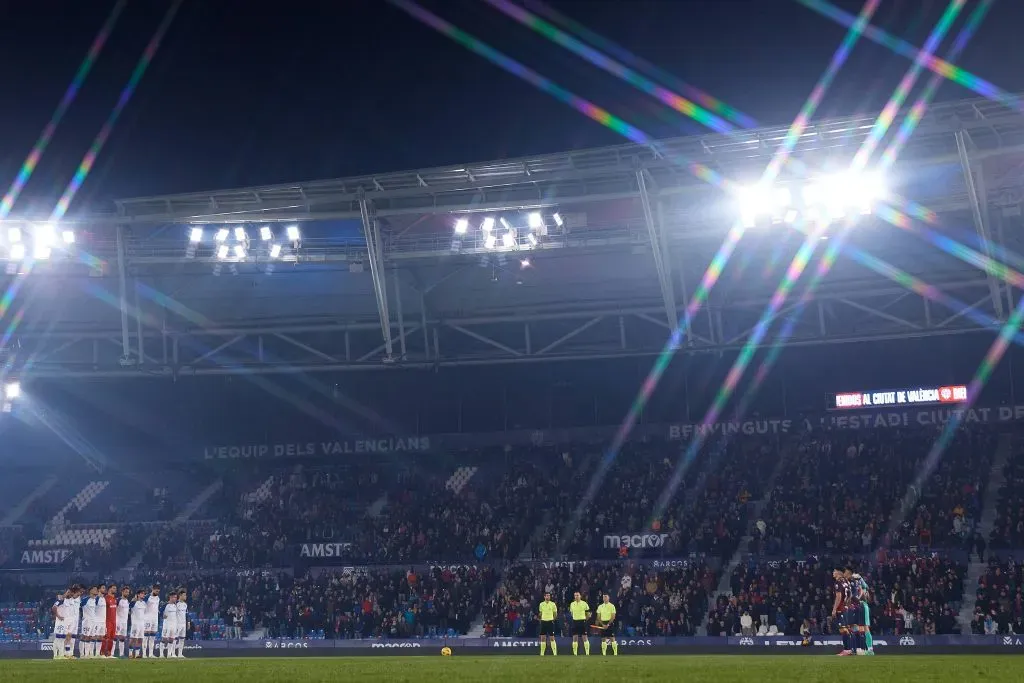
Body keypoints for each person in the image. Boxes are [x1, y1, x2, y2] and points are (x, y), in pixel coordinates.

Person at [848, 570, 874, 655]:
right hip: (859, 606)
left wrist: (858, 598)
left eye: (855, 577)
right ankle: (861, 649)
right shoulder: (857, 585)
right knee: (858, 628)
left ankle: (870, 650)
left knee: (866, 628)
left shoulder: (862, 586)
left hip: (863, 606)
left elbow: (863, 592)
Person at [831, 569, 852, 656]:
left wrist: (834, 609)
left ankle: (847, 649)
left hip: (841, 608)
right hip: (846, 608)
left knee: (843, 629)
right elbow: (850, 594)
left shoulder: (838, 583)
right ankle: (849, 649)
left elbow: (838, 596)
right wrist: (847, 604)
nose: (833, 572)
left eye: (834, 571)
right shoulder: (846, 581)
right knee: (846, 629)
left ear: (839, 573)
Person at [568, 591, 591, 656]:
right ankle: (575, 653)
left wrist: (584, 620)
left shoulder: (584, 604)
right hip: (575, 622)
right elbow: (572, 613)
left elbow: (588, 614)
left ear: (580, 596)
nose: (576, 597)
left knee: (584, 637)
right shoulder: (572, 604)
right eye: (575, 595)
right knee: (575, 637)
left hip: (582, 621)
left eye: (577, 595)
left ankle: (587, 653)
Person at [537, 591, 558, 656]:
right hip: (543, 622)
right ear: (544, 597)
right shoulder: (541, 604)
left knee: (552, 637)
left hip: (550, 622)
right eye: (547, 596)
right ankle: (542, 653)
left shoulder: (553, 604)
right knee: (543, 637)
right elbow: (540, 613)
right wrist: (540, 618)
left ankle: (555, 653)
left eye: (549, 596)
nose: (548, 597)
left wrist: (552, 619)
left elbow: (555, 614)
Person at [144, 585, 161, 658]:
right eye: (156, 590)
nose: (157, 592)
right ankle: (144, 654)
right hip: (147, 619)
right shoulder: (147, 597)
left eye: (158, 591)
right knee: (146, 637)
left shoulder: (158, 598)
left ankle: (151, 654)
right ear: (153, 589)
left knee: (152, 637)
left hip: (155, 619)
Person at [130, 589, 148, 659]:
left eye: (144, 594)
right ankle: (130, 653)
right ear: (138, 594)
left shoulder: (144, 603)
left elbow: (145, 613)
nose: (143, 595)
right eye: (142, 593)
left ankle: (137, 654)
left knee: (140, 639)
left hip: (142, 624)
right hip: (135, 623)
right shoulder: (134, 602)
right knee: (133, 639)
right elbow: (129, 607)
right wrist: (133, 600)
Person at [160, 592, 179, 658]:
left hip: (173, 625)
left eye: (176, 597)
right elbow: (160, 612)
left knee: (171, 639)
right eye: (174, 597)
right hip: (166, 624)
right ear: (170, 597)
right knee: (164, 639)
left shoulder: (175, 605)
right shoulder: (165, 605)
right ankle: (161, 654)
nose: (175, 599)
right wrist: (163, 616)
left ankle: (169, 654)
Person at [50, 590, 68, 660]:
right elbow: (53, 607)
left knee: (62, 638)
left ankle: (60, 655)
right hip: (60, 621)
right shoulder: (59, 601)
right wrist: (58, 616)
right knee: (58, 638)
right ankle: (55, 655)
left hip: (64, 621)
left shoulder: (66, 601)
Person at [101, 583, 118, 658]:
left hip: (114, 621)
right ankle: (102, 653)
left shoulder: (115, 599)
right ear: (109, 589)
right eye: (114, 588)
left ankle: (109, 653)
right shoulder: (105, 598)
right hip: (107, 621)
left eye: (115, 588)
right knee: (105, 637)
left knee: (112, 638)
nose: (115, 589)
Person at [115, 586, 131, 658]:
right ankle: (111, 653)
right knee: (115, 637)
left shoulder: (128, 601)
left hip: (125, 622)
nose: (127, 593)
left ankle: (121, 654)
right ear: (122, 592)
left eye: (128, 592)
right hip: (118, 621)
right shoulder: (118, 600)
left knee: (122, 638)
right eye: (126, 592)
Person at [175, 589, 189, 658]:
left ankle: (180, 654)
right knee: (175, 638)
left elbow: (187, 614)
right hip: (177, 624)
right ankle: (172, 653)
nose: (185, 596)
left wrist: (188, 622)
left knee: (182, 639)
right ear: (180, 596)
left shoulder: (185, 605)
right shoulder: (176, 604)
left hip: (183, 624)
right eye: (184, 595)